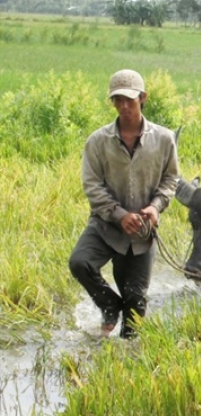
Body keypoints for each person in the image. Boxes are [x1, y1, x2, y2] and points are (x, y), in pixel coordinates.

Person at [69, 69, 180, 339]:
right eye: (117, 100)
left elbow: (171, 179)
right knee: (80, 262)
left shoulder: (164, 139)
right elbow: (92, 186)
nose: (123, 106)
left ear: (143, 98)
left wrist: (155, 207)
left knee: (135, 305)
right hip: (106, 225)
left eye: (129, 100)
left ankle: (126, 361)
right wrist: (119, 215)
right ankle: (109, 304)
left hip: (142, 231)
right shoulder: (98, 141)